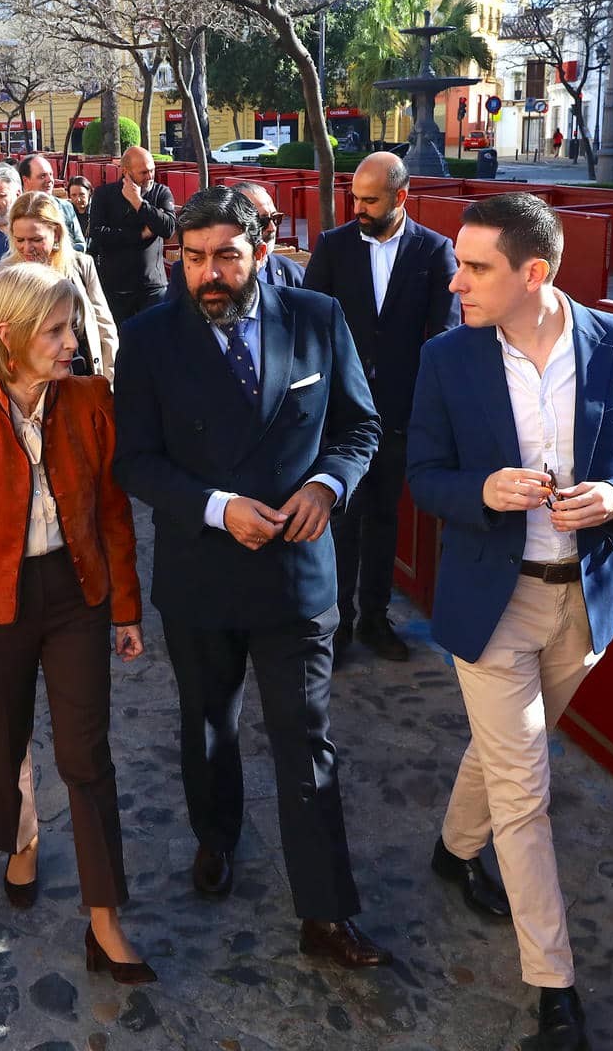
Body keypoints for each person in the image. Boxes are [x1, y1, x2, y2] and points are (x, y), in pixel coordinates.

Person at [405, 192, 613, 1051]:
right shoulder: (449, 359)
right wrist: (480, 492)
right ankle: (555, 990)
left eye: (476, 268)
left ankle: (452, 850)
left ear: (535, 273)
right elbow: (422, 474)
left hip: (584, 601)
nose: (457, 283)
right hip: (494, 600)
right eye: (459, 263)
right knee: (526, 791)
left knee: (502, 751)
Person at [112, 186, 389, 970]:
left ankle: (326, 913)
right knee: (208, 728)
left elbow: (359, 425)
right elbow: (134, 459)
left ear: (261, 253)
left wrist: (327, 485)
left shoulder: (317, 319)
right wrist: (216, 506)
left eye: (225, 257)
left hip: (298, 575)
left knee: (307, 742)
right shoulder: (151, 337)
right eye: (191, 258)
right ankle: (216, 838)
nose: (207, 275)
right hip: (201, 574)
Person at [0, 262, 153, 984]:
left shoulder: (90, 400)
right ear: (9, 335)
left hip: (76, 595)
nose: (70, 341)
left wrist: (127, 607)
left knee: (87, 756)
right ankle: (21, 834)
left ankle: (104, 918)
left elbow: (113, 512)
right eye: (55, 329)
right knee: (5, 741)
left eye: (71, 325)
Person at [303, 151, 459, 662]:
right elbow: (311, 328)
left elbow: (444, 335)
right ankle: (339, 623)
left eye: (370, 200)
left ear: (401, 196)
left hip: (399, 412)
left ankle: (374, 618)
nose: (359, 208)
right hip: (342, 413)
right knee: (343, 520)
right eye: (355, 198)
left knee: (385, 517)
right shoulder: (332, 245)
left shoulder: (436, 252)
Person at [0, 191, 117, 382]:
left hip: (82, 378)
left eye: (36, 240)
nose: (27, 248)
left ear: (56, 233)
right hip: (27, 387)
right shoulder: (1, 276)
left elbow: (105, 329)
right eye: (20, 240)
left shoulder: (81, 266)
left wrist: (108, 385)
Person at [166, 180, 303, 298]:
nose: (272, 228)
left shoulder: (292, 273)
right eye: (262, 221)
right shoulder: (183, 272)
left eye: (276, 218)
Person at [89, 146, 175, 324]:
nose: (150, 176)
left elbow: (168, 228)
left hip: (152, 286)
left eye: (152, 170)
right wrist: (139, 235)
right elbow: (98, 234)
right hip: (116, 287)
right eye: (143, 172)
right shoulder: (104, 194)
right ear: (126, 172)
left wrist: (139, 203)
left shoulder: (161, 193)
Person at [16, 154, 86, 254]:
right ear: (26, 180)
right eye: (42, 176)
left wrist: (58, 255)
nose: (50, 180)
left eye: (51, 174)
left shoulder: (65, 207)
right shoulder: (16, 211)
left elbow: (80, 244)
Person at [66, 175, 92, 241]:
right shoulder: (66, 212)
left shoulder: (98, 210)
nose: (78, 199)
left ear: (89, 193)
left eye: (81, 194)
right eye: (74, 195)